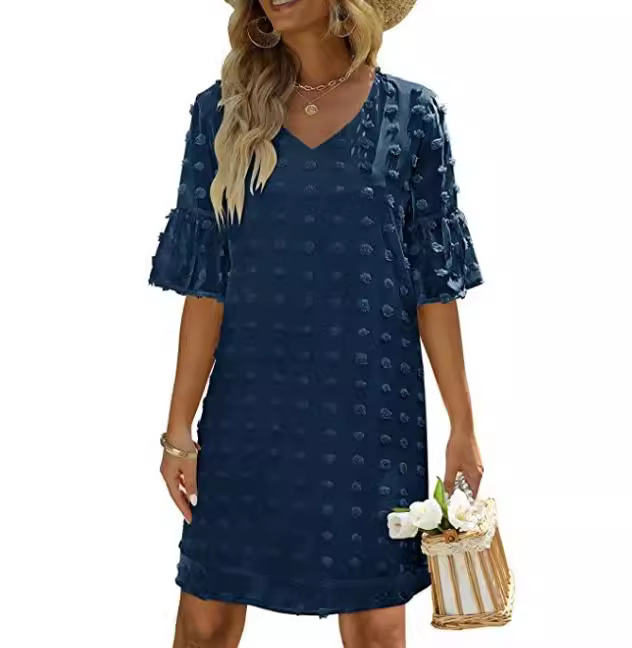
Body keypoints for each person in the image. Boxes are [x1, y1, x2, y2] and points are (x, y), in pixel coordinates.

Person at [148, 1, 485, 646]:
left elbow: (433, 288)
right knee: (206, 618)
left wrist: (462, 429)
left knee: (376, 624)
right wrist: (178, 431)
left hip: (370, 412)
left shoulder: (411, 115)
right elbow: (206, 287)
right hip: (249, 409)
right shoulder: (221, 113)